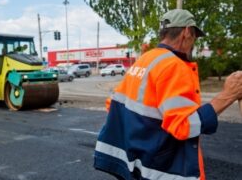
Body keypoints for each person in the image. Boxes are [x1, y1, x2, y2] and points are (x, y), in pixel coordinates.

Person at [93, 9, 242, 180]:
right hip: (159, 171)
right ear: (187, 32)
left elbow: (112, 104)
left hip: (134, 165)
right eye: (194, 36)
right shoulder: (174, 65)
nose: (193, 42)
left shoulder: (145, 59)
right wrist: (228, 95)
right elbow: (184, 126)